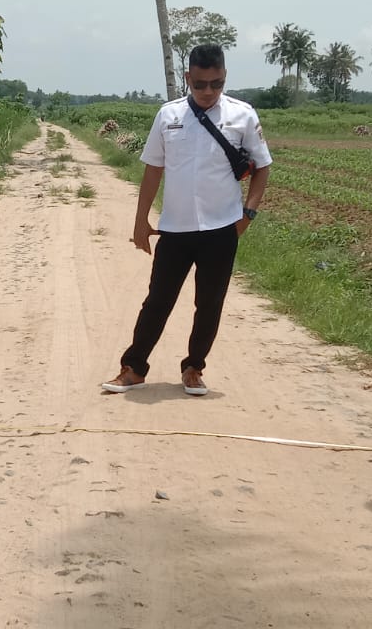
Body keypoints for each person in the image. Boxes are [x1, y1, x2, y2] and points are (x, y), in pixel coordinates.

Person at [102, 44, 272, 398]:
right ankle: (134, 368)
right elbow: (152, 171)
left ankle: (194, 367)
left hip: (222, 228)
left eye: (216, 83)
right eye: (200, 84)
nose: (208, 91)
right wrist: (140, 222)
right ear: (187, 78)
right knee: (158, 300)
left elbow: (263, 167)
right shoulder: (168, 116)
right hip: (175, 228)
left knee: (209, 303)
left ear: (224, 78)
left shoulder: (243, 115)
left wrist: (248, 214)